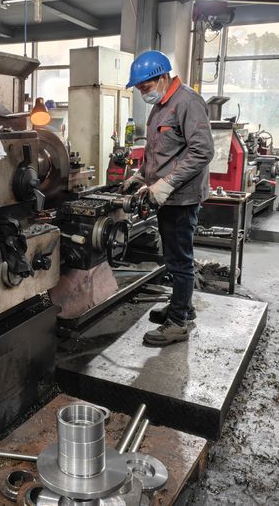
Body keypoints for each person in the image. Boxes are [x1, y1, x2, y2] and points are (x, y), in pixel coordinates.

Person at [122, 51, 214, 347]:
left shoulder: (187, 102)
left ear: (163, 77)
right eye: (139, 88)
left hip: (181, 197)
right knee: (174, 256)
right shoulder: (160, 106)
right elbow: (159, 151)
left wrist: (165, 184)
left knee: (179, 260)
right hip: (166, 196)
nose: (143, 92)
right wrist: (141, 176)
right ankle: (182, 307)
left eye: (145, 86)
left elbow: (202, 151)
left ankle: (177, 323)